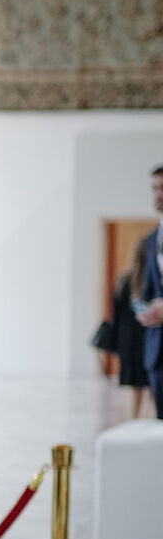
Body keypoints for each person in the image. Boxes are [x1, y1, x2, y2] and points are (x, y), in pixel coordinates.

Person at [108, 236, 152, 417]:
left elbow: (115, 316)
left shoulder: (122, 281)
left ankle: (135, 416)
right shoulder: (149, 282)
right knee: (150, 380)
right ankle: (150, 417)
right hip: (146, 337)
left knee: (136, 384)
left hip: (128, 339)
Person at [135, 165, 163, 419]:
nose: (158, 194)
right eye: (155, 188)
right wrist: (144, 308)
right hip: (158, 352)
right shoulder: (152, 239)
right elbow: (150, 289)